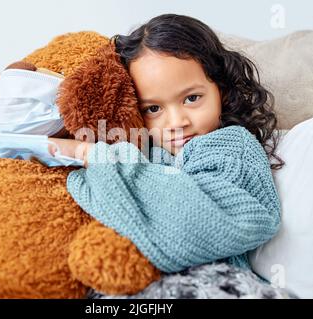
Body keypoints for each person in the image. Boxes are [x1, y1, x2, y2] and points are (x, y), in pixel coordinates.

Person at [47, 13, 284, 274]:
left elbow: (203, 224)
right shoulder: (145, 149)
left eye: (192, 98)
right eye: (153, 108)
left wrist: (96, 157)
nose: (176, 121)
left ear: (222, 90)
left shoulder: (234, 145)